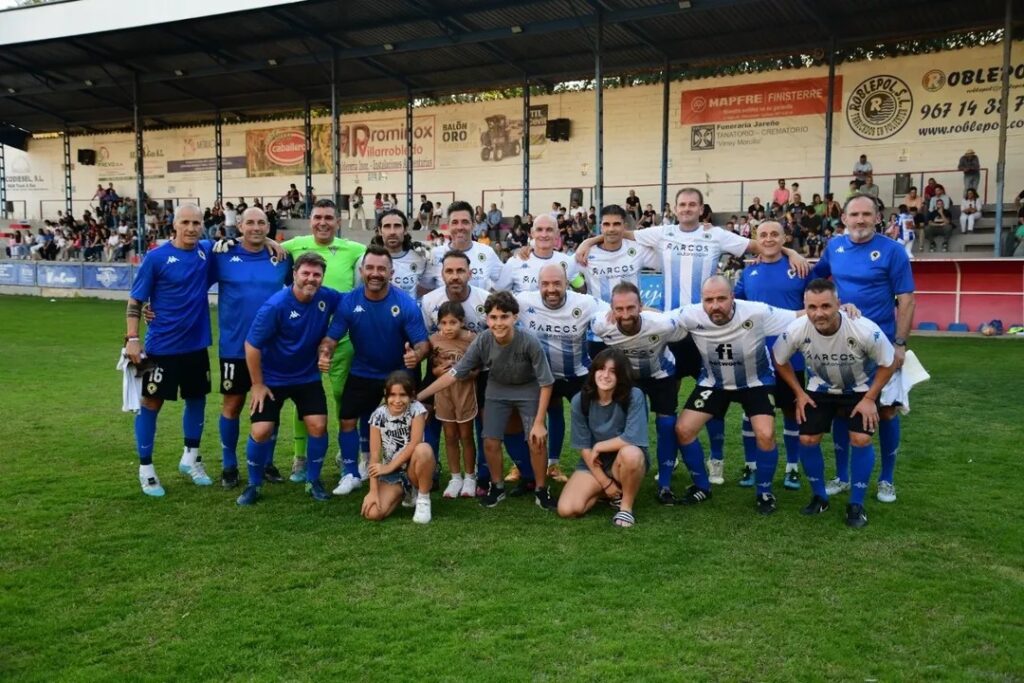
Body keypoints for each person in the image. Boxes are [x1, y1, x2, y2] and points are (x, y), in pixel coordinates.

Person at [575, 187, 808, 473]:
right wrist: (588, 240)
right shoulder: (663, 233)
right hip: (673, 326)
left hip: (705, 327)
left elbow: (758, 245)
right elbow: (620, 233)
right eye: (682, 204)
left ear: (701, 209)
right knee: (668, 400)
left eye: (692, 205)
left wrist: (790, 251)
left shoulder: (717, 235)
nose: (686, 209)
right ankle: (666, 465)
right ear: (675, 208)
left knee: (715, 388)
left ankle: (717, 460)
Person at [811, 194, 915, 504]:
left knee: (885, 410)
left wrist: (899, 344)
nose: (860, 220)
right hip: (843, 344)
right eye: (854, 214)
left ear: (877, 218)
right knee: (844, 408)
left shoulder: (892, 251)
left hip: (881, 346)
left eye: (866, 214)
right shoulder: (834, 247)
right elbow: (817, 279)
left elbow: (907, 300)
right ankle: (842, 476)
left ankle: (887, 479)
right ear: (843, 218)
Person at [772, 279, 896, 528]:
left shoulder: (862, 328)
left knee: (860, 439)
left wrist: (871, 398)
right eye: (812, 307)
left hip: (860, 389)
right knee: (807, 439)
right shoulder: (796, 329)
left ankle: (856, 504)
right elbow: (779, 359)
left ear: (838, 304)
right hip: (820, 388)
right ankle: (820, 496)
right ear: (805, 307)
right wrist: (799, 392)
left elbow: (889, 362)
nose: (819, 313)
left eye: (826, 306)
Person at [417, 291, 557, 511]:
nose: (498, 323)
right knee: (490, 440)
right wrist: (418, 397)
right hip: (497, 389)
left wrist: (539, 422)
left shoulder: (529, 342)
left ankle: (541, 489)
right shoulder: (483, 340)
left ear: (515, 317)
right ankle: (497, 487)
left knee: (536, 439)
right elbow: (454, 373)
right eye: (493, 317)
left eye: (504, 317)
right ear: (487, 319)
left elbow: (546, 383)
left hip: (527, 389)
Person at [670, 276, 799, 514]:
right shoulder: (690, 314)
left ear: (732, 297)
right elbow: (656, 318)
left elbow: (799, 316)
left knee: (766, 433)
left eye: (721, 298)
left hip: (755, 382)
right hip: (714, 382)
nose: (715, 305)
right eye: (709, 300)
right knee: (683, 430)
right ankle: (702, 486)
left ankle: (764, 491)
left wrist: (843, 310)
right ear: (702, 301)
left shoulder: (756, 312)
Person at [319, 246, 430, 496]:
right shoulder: (350, 301)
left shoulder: (405, 303)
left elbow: (423, 343)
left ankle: (410, 472)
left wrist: (417, 355)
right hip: (364, 370)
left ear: (391, 272)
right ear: (362, 271)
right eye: (370, 268)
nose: (375, 273)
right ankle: (351, 473)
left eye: (381, 268)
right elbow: (332, 337)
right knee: (347, 419)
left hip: (399, 373)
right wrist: (325, 352)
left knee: (405, 424)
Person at [124, 204, 217, 497]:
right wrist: (131, 338)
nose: (191, 228)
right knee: (151, 404)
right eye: (185, 222)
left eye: (196, 222)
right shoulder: (156, 258)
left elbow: (246, 240)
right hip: (160, 346)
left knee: (197, 399)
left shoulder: (206, 251)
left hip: (196, 345)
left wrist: (267, 241)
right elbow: (136, 301)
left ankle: (190, 458)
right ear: (174, 225)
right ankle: (146, 469)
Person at [238, 253, 341, 505]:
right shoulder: (276, 306)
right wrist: (258, 385)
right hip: (272, 377)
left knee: (318, 425)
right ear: (294, 274)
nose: (311, 279)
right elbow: (251, 345)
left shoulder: (327, 297)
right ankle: (254, 484)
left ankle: (313, 480)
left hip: (306, 376)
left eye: (316, 274)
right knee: (261, 430)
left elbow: (350, 309)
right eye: (306, 273)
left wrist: (329, 342)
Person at [280, 199, 366, 482]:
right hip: (304, 341)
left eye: (329, 217)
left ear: (338, 222)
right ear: (310, 219)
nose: (323, 222)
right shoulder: (295, 245)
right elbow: (263, 245)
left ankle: (346, 454)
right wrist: (228, 244)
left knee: (344, 397)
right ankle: (299, 457)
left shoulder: (354, 249)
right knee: (303, 399)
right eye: (318, 217)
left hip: (341, 339)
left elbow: (378, 260)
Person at [591, 281, 689, 505]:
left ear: (641, 307)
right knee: (624, 425)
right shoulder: (600, 324)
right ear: (612, 310)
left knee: (666, 425)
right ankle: (618, 473)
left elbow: (685, 325)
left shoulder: (662, 324)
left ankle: (664, 484)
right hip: (629, 379)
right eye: (619, 309)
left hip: (661, 375)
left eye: (631, 308)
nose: (625, 314)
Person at [730, 221, 810, 491]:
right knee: (751, 413)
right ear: (755, 239)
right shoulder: (748, 272)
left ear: (784, 237)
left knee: (792, 412)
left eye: (775, 234)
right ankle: (750, 465)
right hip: (755, 356)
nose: (768, 238)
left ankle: (792, 468)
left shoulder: (799, 269)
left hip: (792, 355)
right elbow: (734, 305)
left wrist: (793, 254)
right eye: (762, 234)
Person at [212, 207, 288, 488]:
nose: (256, 227)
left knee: (270, 405)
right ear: (239, 226)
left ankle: (267, 462)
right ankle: (229, 465)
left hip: (272, 348)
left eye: (261, 223)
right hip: (233, 346)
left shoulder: (281, 258)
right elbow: (192, 261)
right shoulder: (222, 255)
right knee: (233, 403)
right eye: (250, 223)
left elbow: (299, 289)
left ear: (268, 226)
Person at [517, 264, 601, 485]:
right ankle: (540, 465)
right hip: (544, 376)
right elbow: (496, 307)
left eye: (557, 283)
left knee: (589, 420)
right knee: (545, 416)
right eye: (545, 284)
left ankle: (593, 468)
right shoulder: (524, 301)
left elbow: (616, 310)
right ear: (538, 285)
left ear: (567, 284)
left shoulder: (586, 303)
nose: (551, 289)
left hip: (578, 373)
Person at [558, 348, 649, 527]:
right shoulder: (580, 400)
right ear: (593, 372)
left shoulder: (634, 395)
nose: (605, 376)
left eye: (613, 372)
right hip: (594, 463)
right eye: (601, 369)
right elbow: (583, 446)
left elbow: (631, 437)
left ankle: (625, 507)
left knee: (631, 453)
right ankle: (608, 492)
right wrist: (605, 482)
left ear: (622, 376)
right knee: (567, 510)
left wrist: (599, 447)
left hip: (623, 460)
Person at [360, 371, 435, 524]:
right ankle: (403, 493)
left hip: (413, 468)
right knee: (373, 513)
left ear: (412, 395)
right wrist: (373, 492)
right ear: (386, 395)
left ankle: (422, 498)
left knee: (424, 449)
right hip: (392, 475)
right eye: (392, 395)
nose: (397, 400)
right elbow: (374, 457)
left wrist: (388, 467)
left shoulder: (417, 409)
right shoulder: (378, 416)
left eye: (403, 395)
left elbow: (414, 443)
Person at [428, 301, 478, 499]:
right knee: (449, 436)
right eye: (444, 323)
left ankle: (470, 477)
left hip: (465, 392)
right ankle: (455, 477)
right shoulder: (433, 340)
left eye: (453, 323)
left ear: (462, 322)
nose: (448, 327)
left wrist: (466, 374)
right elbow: (433, 369)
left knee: (466, 435)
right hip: (444, 394)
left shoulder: (472, 339)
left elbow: (477, 370)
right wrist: (438, 371)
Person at [577, 205, 654, 304]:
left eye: (616, 224)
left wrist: (589, 241)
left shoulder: (638, 249)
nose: (611, 229)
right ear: (601, 227)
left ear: (624, 226)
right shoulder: (586, 253)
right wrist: (579, 287)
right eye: (606, 224)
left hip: (630, 316)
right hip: (599, 317)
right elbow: (566, 272)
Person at [423, 201, 503, 290]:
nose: (460, 227)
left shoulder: (487, 252)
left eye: (465, 222)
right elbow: (425, 287)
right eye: (455, 222)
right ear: (448, 225)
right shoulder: (436, 253)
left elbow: (505, 281)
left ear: (473, 225)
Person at [496, 214, 579, 293]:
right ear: (532, 233)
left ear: (557, 233)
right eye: (539, 229)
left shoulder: (568, 261)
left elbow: (581, 290)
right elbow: (499, 295)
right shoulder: (515, 262)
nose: (544, 235)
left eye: (549, 230)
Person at [367, 208, 430, 299]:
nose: (392, 232)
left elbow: (428, 289)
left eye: (397, 226)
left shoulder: (420, 258)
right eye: (387, 226)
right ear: (380, 231)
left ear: (405, 230)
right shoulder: (367, 260)